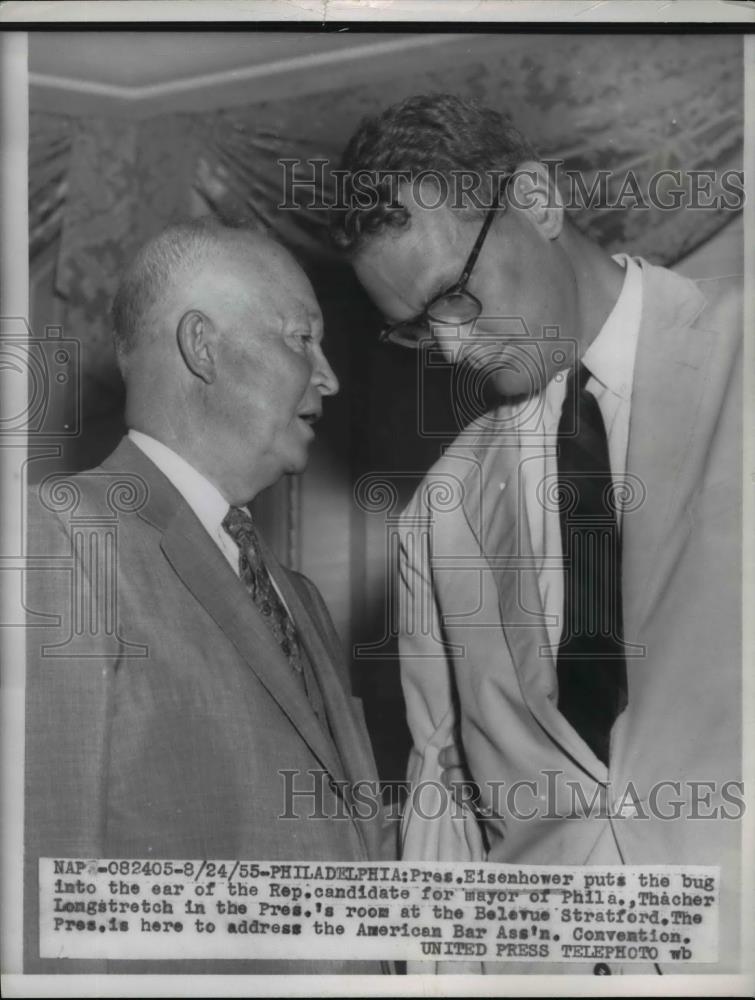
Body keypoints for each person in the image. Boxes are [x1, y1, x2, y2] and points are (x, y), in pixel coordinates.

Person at [331, 94, 742, 975]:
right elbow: (440, 795)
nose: (446, 351)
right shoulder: (440, 514)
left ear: (536, 200)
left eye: (454, 297)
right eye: (414, 329)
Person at [24, 219, 395, 975]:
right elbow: (40, 899)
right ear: (202, 345)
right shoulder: (60, 536)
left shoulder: (299, 599)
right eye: (301, 338)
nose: (328, 376)